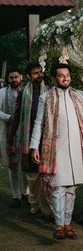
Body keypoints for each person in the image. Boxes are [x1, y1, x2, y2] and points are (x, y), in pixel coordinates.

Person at [30, 63, 83, 240]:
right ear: (55, 78)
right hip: (55, 149)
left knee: (71, 189)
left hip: (77, 149)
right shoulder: (46, 97)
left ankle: (68, 224)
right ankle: (59, 225)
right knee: (57, 188)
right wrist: (34, 146)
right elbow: (39, 122)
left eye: (67, 75)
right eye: (61, 76)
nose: (65, 78)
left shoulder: (77, 95)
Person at [8, 61, 50, 219]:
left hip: (47, 138)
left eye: (40, 72)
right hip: (29, 140)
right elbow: (17, 116)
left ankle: (50, 208)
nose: (39, 75)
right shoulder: (24, 92)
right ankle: (34, 206)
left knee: (48, 175)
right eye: (35, 73)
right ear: (28, 76)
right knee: (32, 175)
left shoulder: (50, 90)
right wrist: (11, 140)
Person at [0, 68, 29, 207]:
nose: (14, 80)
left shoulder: (27, 92)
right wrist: (8, 117)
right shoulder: (1, 92)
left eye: (16, 77)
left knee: (25, 165)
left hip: (24, 134)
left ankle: (26, 193)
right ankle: (16, 196)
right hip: (8, 134)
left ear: (21, 77)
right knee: (12, 166)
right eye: (11, 77)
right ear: (8, 79)